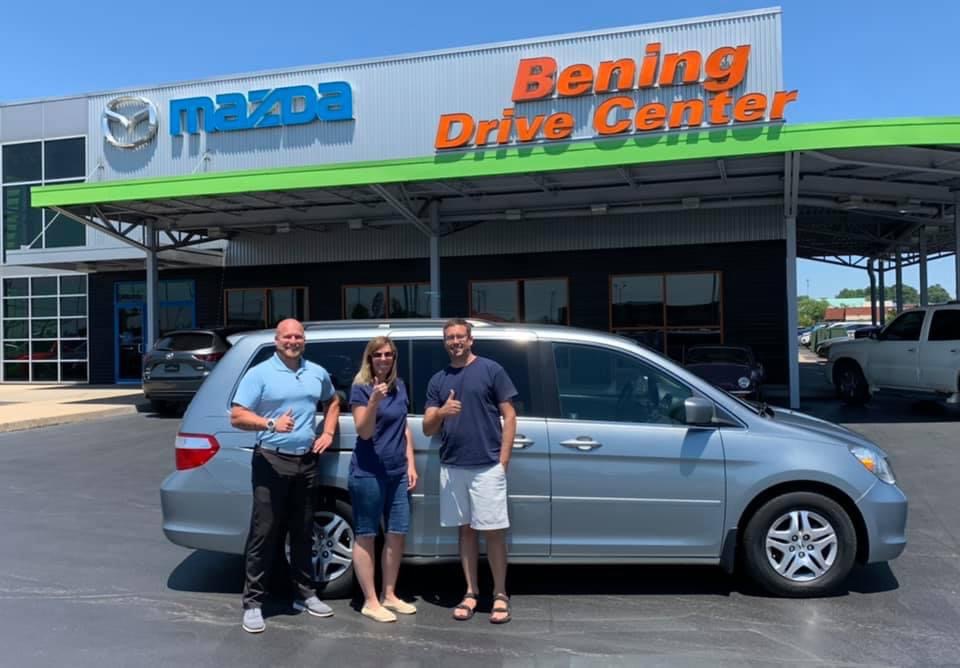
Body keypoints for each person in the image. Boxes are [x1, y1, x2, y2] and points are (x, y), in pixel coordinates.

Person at [230, 318, 341, 634]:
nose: (293, 341)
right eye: (287, 337)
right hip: (270, 460)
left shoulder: (316, 372)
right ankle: (254, 603)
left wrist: (328, 431)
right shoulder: (259, 373)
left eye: (298, 336)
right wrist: (270, 424)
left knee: (303, 531)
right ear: (277, 340)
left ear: (304, 340)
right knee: (264, 533)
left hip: (306, 461)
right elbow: (237, 415)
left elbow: (333, 400)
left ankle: (305, 595)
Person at [423, 318, 517, 624]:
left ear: (470, 339)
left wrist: (503, 461)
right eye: (450, 337)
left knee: (493, 531)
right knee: (465, 531)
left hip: (487, 466)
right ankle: (471, 592)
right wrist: (442, 412)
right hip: (453, 465)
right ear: (445, 342)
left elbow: (510, 415)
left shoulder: (491, 370)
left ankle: (500, 594)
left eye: (460, 336)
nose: (455, 341)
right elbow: (427, 428)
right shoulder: (438, 380)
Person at [348, 336, 419, 623]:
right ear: (369, 358)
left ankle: (389, 595)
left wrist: (411, 462)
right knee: (366, 533)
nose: (383, 359)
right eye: (378, 354)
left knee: (397, 532)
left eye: (388, 354)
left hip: (397, 472)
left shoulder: (399, 385)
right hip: (368, 472)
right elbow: (363, 431)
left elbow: (404, 428)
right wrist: (374, 402)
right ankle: (370, 601)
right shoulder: (361, 388)